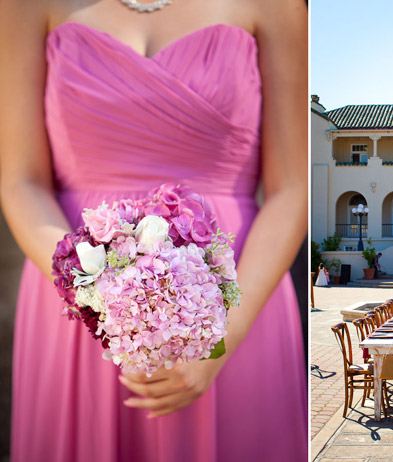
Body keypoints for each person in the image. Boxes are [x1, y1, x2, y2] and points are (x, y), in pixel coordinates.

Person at [0, 1, 307, 461]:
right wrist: (98, 297)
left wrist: (222, 336)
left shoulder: (275, 7)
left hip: (237, 291)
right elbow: (20, 181)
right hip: (75, 301)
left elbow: (295, 187)